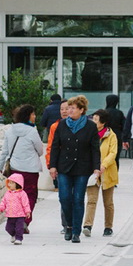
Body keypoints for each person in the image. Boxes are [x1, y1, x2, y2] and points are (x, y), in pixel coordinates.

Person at [48, 95, 101, 244]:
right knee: (64, 198)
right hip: (64, 167)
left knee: (78, 199)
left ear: (81, 110)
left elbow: (95, 149)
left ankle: (76, 231)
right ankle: (69, 226)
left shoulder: (90, 126)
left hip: (83, 168)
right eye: (68, 108)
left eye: (73, 108)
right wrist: (52, 166)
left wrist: (96, 168)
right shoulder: (62, 124)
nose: (69, 110)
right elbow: (55, 147)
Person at [0, 104, 45, 233]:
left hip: (15, 169)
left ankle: (16, 221)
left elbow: (5, 151)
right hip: (31, 170)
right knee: (30, 195)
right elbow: (40, 150)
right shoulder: (32, 131)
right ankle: (24, 221)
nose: (34, 117)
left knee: (15, 196)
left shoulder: (10, 130)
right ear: (28, 116)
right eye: (33, 114)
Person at [83, 108, 118, 238]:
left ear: (103, 122)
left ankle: (108, 227)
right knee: (91, 200)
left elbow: (113, 153)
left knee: (108, 202)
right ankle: (87, 225)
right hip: (93, 172)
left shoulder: (111, 135)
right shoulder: (89, 133)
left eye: (96, 120)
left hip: (107, 172)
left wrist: (104, 165)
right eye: (93, 119)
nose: (93, 121)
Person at [0, 173, 33, 245]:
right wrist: (0, 208)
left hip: (20, 215)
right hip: (10, 215)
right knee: (8, 228)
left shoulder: (22, 194)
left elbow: (25, 203)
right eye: (9, 183)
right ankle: (13, 235)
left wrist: (27, 211)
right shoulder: (8, 193)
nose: (10, 185)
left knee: (19, 228)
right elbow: (4, 201)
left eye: (12, 183)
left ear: (17, 183)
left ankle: (19, 238)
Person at [105, 94, 126, 169]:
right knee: (115, 157)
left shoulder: (104, 112)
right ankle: (115, 174)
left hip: (105, 136)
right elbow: (124, 126)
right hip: (117, 136)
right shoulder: (119, 113)